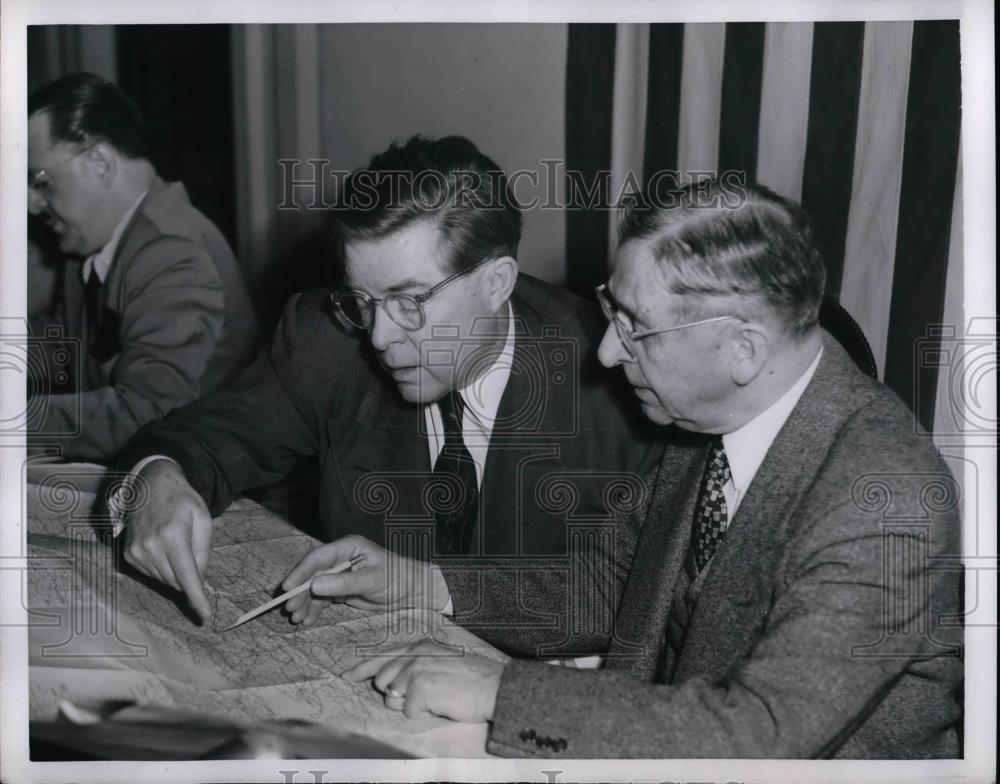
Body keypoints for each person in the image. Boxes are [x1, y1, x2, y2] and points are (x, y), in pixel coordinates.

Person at [291, 179, 963, 758]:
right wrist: (422, 581)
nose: (608, 352)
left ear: (743, 349)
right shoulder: (708, 423)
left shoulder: (885, 495)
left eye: (635, 325)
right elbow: (610, 586)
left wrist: (503, 693)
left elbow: (762, 735)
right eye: (611, 308)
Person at [114, 134, 661, 654]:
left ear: (496, 282)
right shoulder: (325, 340)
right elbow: (199, 439)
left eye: (409, 302)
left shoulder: (621, 384)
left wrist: (431, 586)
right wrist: (156, 478)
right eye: (361, 300)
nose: (378, 337)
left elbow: (640, 595)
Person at [26, 72, 259, 462]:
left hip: (206, 495)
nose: (32, 203)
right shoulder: (87, 247)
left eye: (40, 180)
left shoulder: (174, 252)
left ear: (99, 162)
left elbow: (148, 413)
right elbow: (61, 344)